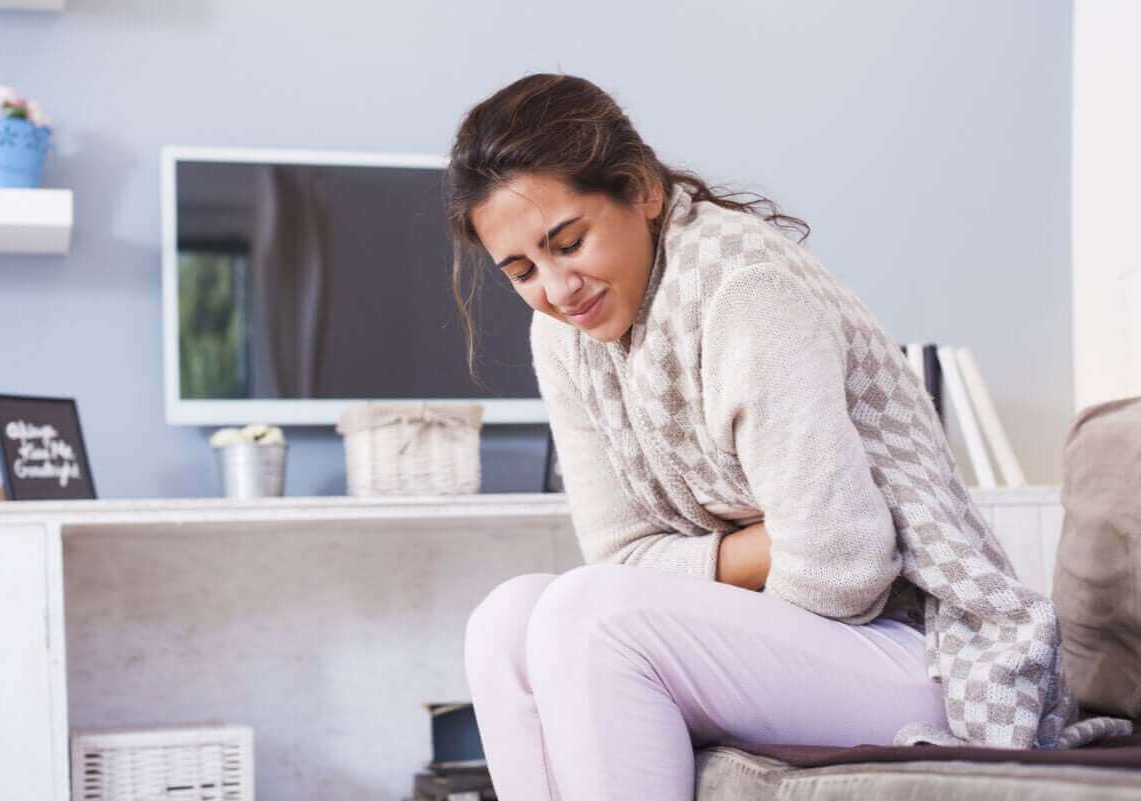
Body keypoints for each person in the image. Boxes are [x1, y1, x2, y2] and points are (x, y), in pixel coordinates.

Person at [443, 73, 1129, 801]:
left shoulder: (744, 289)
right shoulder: (562, 336)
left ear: (641, 189)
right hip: (796, 625)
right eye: (522, 271)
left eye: (569, 242)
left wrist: (706, 589)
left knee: (591, 617)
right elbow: (621, 553)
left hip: (929, 651)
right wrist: (768, 539)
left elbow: (841, 568)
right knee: (505, 618)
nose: (557, 288)